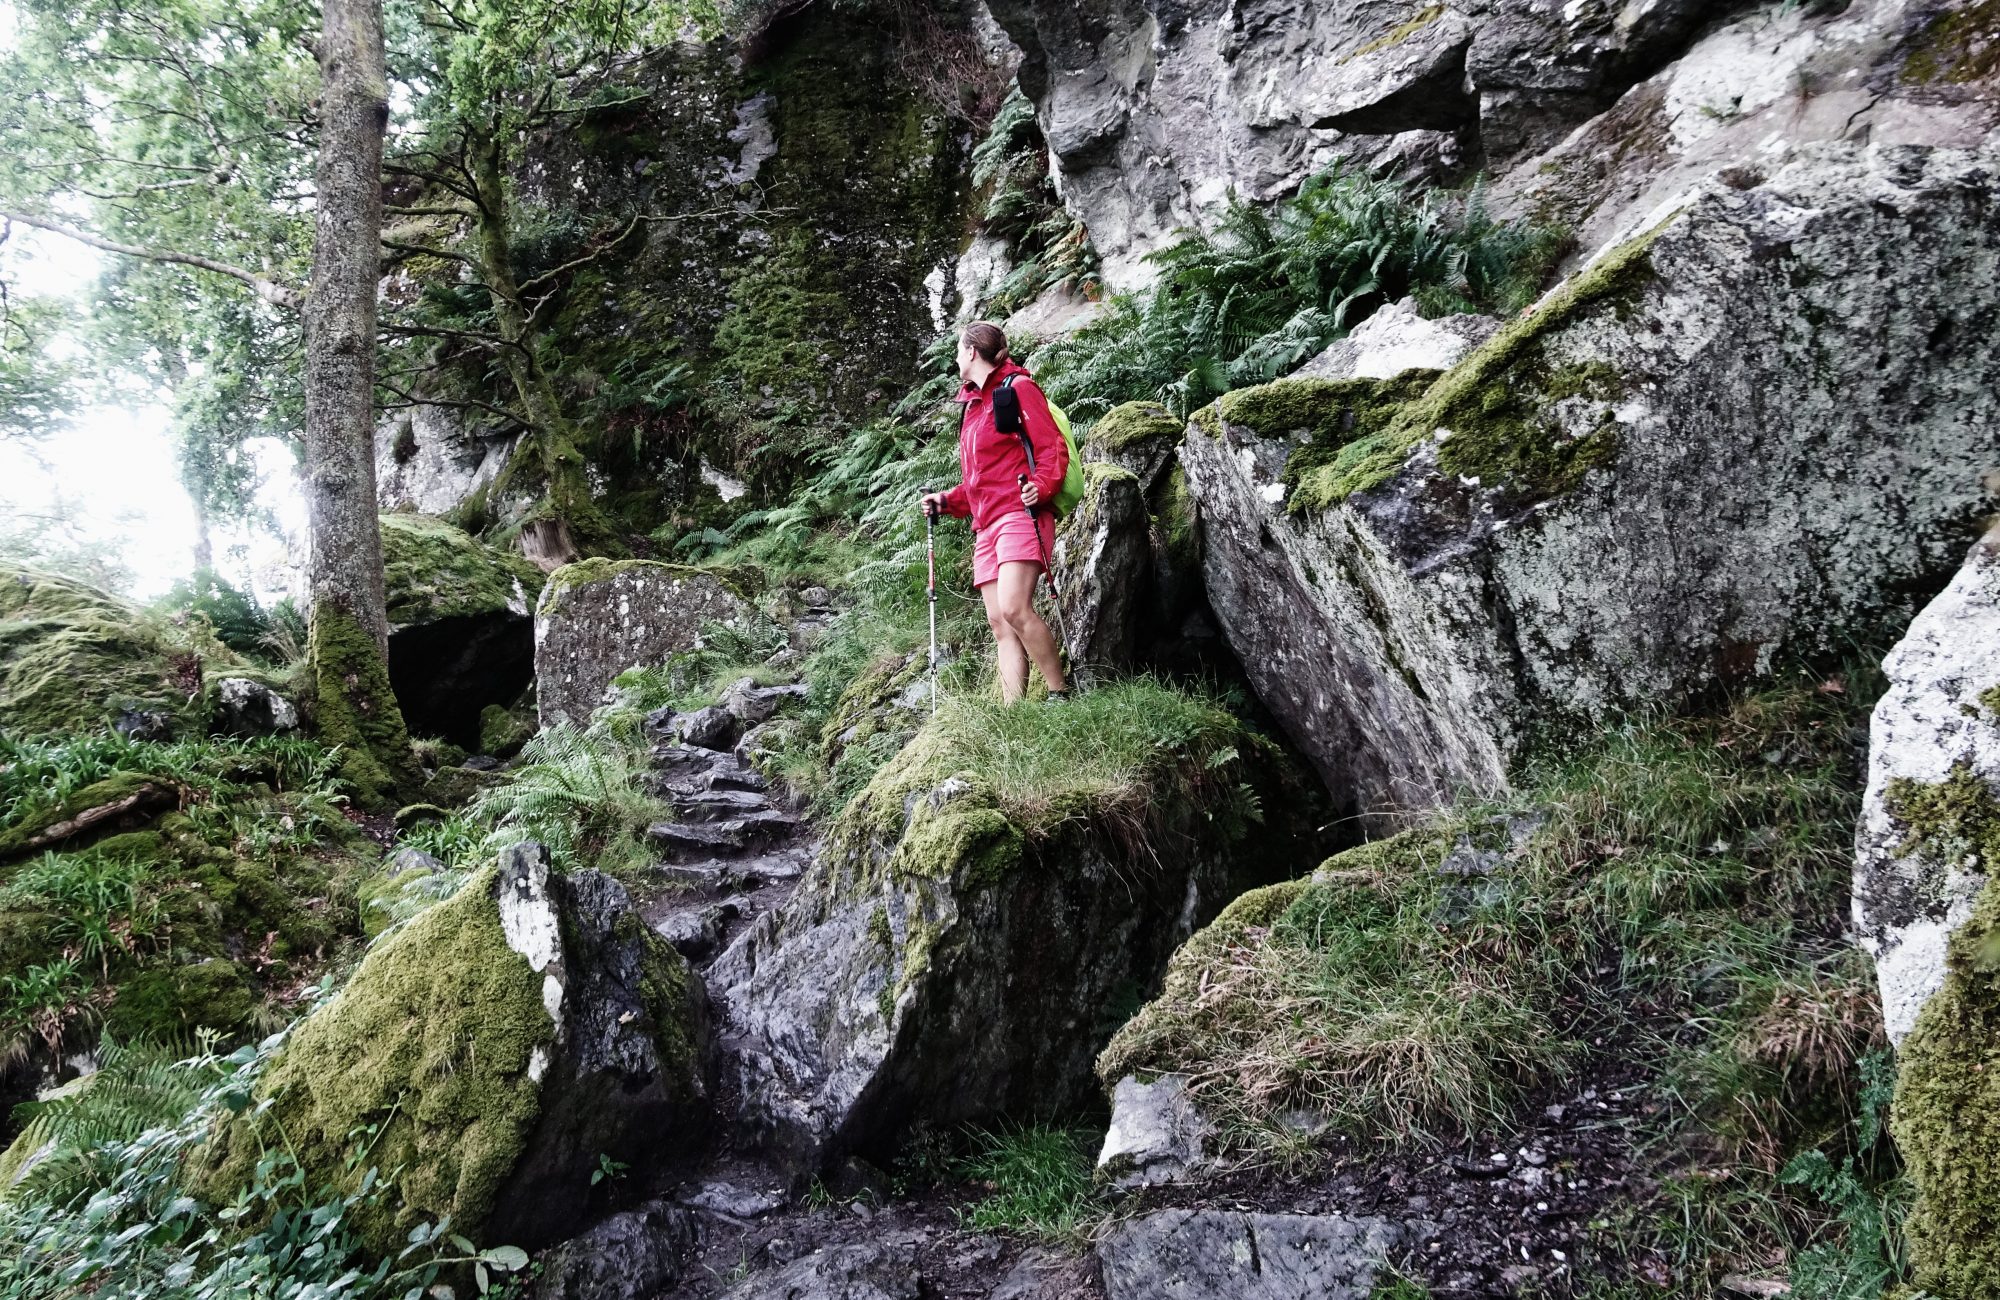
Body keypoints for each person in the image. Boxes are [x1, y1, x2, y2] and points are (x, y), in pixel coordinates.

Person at [919, 321, 1071, 704]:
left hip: (1021, 514)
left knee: (1014, 607)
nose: (955, 358)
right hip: (985, 525)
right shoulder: (971, 407)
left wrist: (1043, 486)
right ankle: (1011, 713)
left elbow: (1052, 449)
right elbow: (980, 481)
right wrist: (947, 501)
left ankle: (1059, 693)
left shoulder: (1018, 389)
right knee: (1000, 623)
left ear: (971, 352)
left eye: (958, 350)